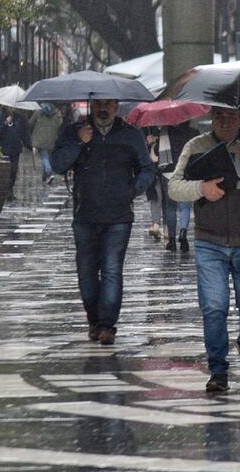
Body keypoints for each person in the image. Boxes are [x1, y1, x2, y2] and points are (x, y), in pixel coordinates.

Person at [168, 106, 240, 393]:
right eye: (219, 116)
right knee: (213, 307)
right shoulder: (196, 146)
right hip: (210, 242)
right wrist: (201, 188)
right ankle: (218, 369)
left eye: (231, 116)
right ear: (211, 117)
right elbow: (174, 186)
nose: (224, 122)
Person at [50, 98, 154, 346]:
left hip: (118, 216)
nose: (103, 109)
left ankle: (107, 324)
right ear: (91, 106)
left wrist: (131, 190)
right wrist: (79, 142)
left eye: (108, 104)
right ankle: (94, 320)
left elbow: (147, 169)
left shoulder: (130, 135)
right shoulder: (74, 132)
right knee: (86, 273)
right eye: (98, 104)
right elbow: (57, 165)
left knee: (111, 269)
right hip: (85, 214)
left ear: (117, 107)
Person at [154, 122, 200, 252]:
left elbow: (157, 152)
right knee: (185, 206)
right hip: (186, 172)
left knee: (170, 207)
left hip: (167, 172)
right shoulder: (193, 133)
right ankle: (183, 234)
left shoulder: (165, 131)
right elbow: (198, 153)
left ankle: (172, 242)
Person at [0, 107, 31, 201]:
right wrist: (5, 123)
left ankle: (10, 191)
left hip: (15, 149)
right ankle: (4, 191)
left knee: (13, 171)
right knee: (4, 172)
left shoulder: (20, 118)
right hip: (3, 149)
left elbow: (24, 133)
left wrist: (30, 146)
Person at [29, 103, 63, 184]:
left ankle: (49, 172)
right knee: (48, 157)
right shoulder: (57, 112)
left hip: (40, 138)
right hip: (52, 138)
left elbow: (30, 123)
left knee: (45, 157)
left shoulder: (38, 111)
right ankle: (44, 177)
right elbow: (60, 124)